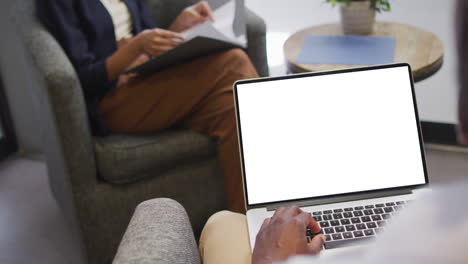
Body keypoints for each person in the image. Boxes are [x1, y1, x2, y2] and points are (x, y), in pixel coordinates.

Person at [198, 1, 468, 263]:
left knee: (223, 222)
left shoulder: (421, 236)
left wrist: (271, 259)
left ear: (462, 121)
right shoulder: (426, 222)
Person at [37, 0, 259, 213]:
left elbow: (147, 40)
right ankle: (271, 223)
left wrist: (176, 29)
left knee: (231, 107)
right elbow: (83, 80)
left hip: (147, 76)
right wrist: (133, 49)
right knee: (234, 63)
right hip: (112, 98)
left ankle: (254, 230)